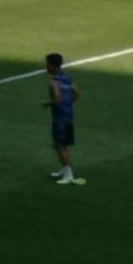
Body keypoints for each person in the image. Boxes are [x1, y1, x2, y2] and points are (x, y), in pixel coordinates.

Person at [45, 52, 86, 185]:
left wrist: (47, 103)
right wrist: (68, 104)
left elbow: (57, 98)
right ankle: (63, 170)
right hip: (68, 115)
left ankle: (68, 175)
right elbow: (77, 93)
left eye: (47, 64)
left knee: (60, 146)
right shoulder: (67, 78)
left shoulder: (54, 82)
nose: (46, 67)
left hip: (59, 118)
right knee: (61, 145)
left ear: (52, 65)